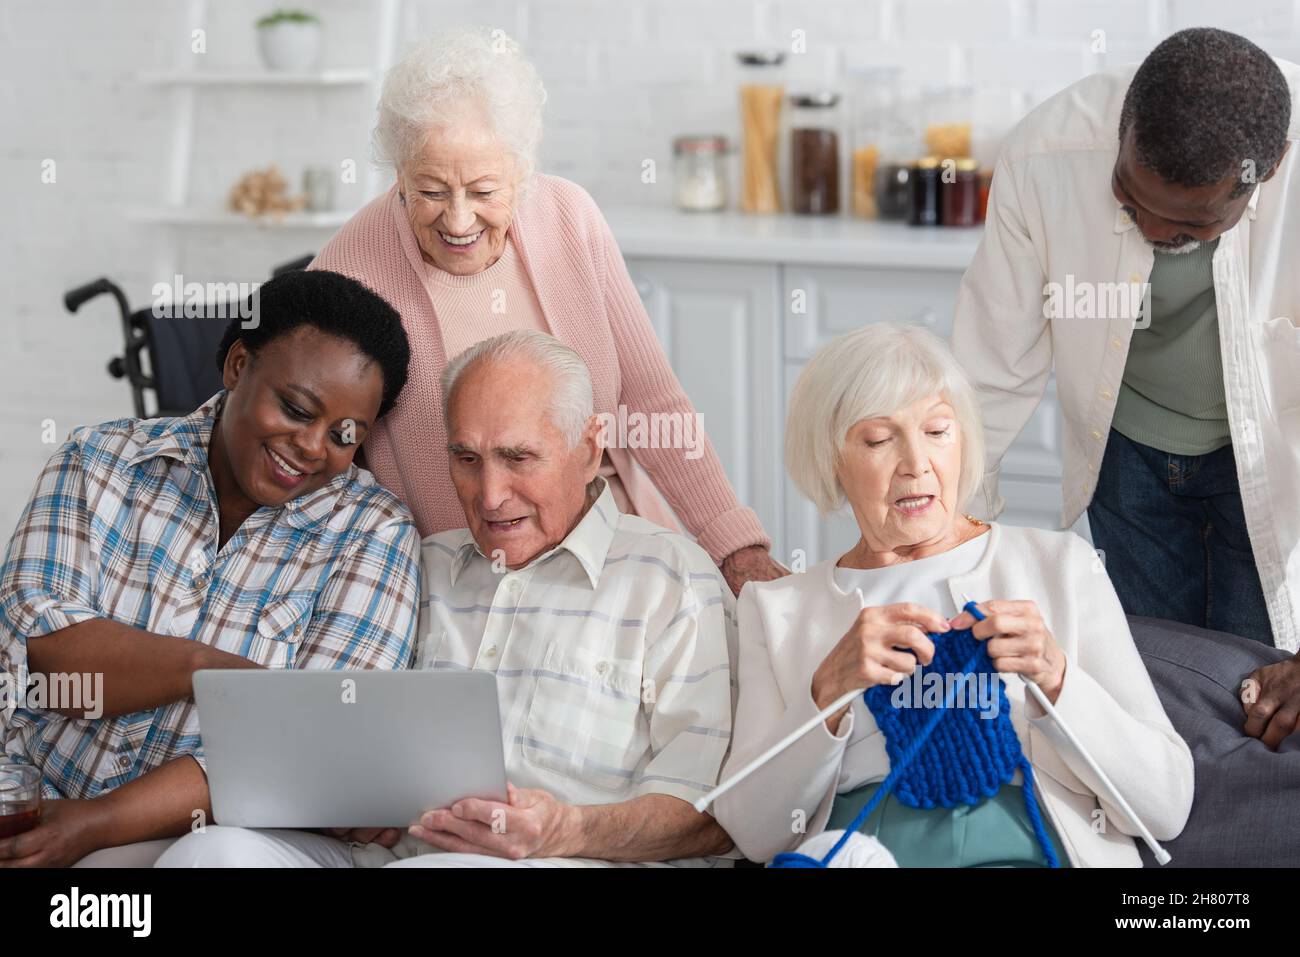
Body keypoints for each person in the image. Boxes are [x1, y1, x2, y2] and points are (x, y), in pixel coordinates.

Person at [156, 331, 736, 868]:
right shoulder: (421, 563)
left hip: (561, 859)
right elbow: (337, 727)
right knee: (210, 854)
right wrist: (343, 798)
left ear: (588, 449)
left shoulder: (669, 579)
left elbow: (715, 812)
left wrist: (567, 830)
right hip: (380, 853)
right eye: (467, 459)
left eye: (518, 457)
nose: (489, 495)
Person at [309, 25, 783, 595]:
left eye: (484, 192)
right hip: (463, 589)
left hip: (617, 556)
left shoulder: (568, 218)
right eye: (432, 191)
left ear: (522, 173)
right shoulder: (350, 272)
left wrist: (734, 547)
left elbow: (651, 400)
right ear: (400, 177)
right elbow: (315, 452)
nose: (459, 222)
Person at [713, 324, 1193, 867]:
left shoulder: (1060, 566)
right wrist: (826, 692)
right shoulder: (775, 609)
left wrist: (1058, 679)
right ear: (831, 461)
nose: (916, 463)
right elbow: (753, 834)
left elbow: (1166, 806)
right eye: (878, 440)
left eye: (938, 431)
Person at [0, 270, 421, 868]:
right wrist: (215, 671)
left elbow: (311, 748)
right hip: (35, 792)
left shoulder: (374, 533)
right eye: (297, 409)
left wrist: (97, 824)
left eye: (344, 434)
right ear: (237, 366)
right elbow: (45, 658)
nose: (310, 446)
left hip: (216, 837)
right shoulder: (98, 463)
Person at [951, 29, 1299, 678]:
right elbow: (989, 368)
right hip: (1127, 456)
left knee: (1255, 694)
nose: (1154, 231)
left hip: (1275, 468)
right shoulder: (1045, 154)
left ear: (1269, 168)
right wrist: (955, 539)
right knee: (1151, 681)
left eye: (1191, 226)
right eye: (1129, 200)